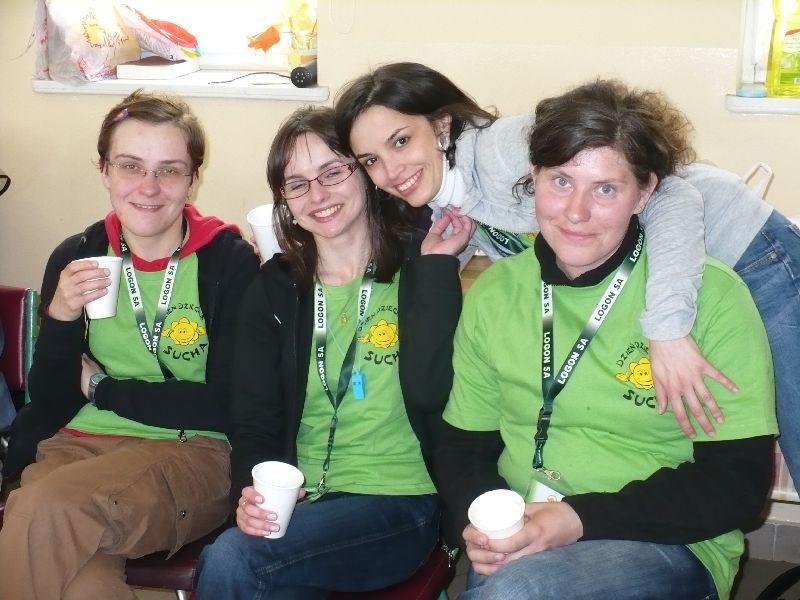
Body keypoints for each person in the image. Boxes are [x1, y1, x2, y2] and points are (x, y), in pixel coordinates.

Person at [335, 62, 800, 483]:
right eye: (371, 160)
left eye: (400, 141)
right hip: (685, 280)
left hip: (748, 250)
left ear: (441, 126)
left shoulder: (499, 150)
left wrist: (667, 330)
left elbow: (673, 196)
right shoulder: (447, 203)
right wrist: (440, 262)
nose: (391, 170)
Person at [435, 79, 777, 600]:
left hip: (664, 541)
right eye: (561, 181)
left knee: (515, 593)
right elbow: (466, 446)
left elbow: (736, 485)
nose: (576, 213)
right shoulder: (495, 293)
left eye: (606, 190)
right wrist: (484, 523)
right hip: (523, 531)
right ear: (533, 176)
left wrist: (575, 519)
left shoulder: (713, 298)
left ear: (645, 192)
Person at [195, 106, 469, 598]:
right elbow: (254, 417)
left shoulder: (421, 270)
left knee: (234, 558)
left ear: (364, 173)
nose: (317, 195)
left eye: (332, 172)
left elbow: (441, 391)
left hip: (399, 502)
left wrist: (438, 273)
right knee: (267, 579)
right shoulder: (275, 289)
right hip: (302, 501)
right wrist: (251, 494)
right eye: (296, 184)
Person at [0, 90, 260, 600]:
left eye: (169, 170)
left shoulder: (229, 265)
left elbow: (228, 404)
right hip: (75, 447)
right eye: (130, 165)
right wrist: (60, 317)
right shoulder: (77, 255)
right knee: (84, 586)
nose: (149, 186)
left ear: (192, 178)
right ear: (105, 170)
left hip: (191, 451)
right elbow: (49, 399)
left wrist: (102, 388)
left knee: (41, 511)